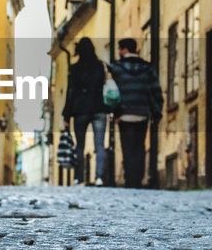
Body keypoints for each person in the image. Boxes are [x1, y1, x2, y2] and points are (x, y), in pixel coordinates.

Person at [107, 37, 163, 189]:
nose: (118, 52)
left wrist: (114, 112)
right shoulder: (148, 68)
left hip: (124, 114)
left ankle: (129, 180)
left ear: (124, 49)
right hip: (142, 113)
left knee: (127, 148)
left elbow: (112, 93)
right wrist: (157, 110)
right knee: (139, 147)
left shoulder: (116, 68)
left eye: (120, 49)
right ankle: (138, 180)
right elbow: (155, 90)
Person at [62, 37, 107, 186]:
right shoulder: (100, 66)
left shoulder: (75, 69)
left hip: (80, 110)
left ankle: (78, 177)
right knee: (99, 145)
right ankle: (100, 177)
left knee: (79, 146)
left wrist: (66, 115)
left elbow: (71, 92)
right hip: (99, 108)